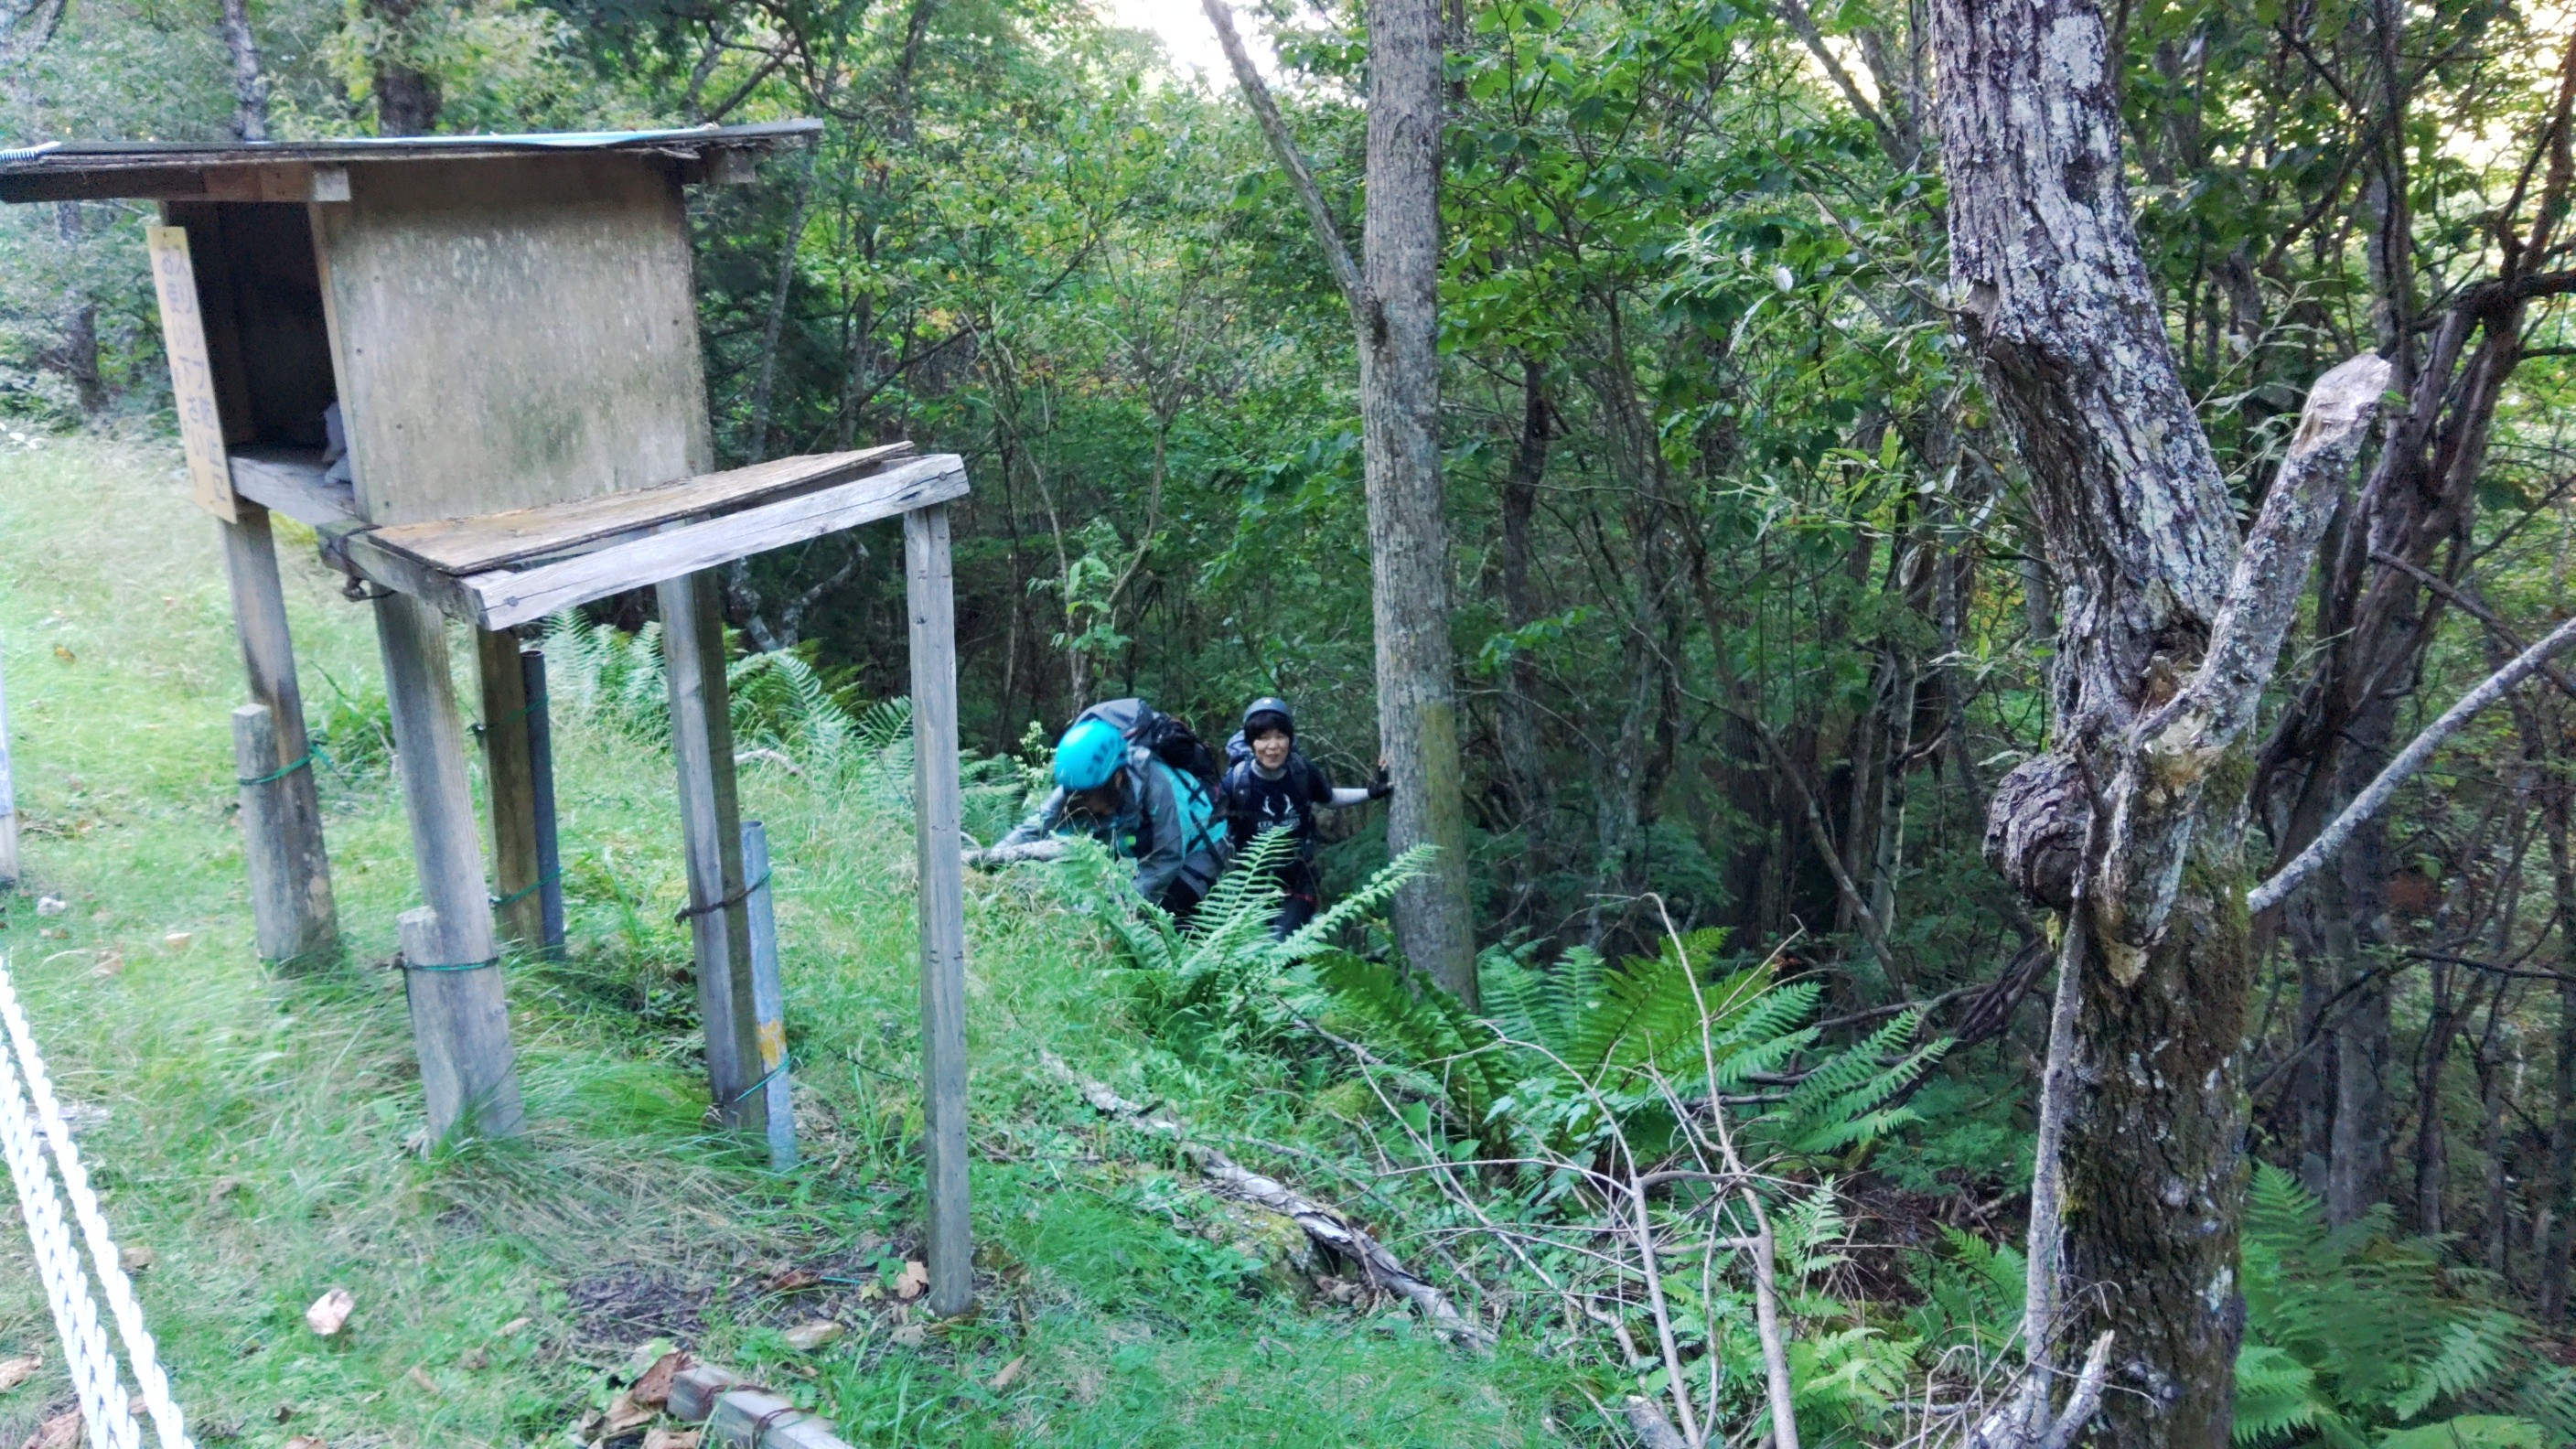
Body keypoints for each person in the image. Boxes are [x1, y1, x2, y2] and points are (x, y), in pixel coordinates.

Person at [980, 700, 1228, 917]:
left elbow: (1168, 860)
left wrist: (1113, 908)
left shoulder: (1161, 785)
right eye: (1078, 797)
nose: (1084, 804)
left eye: (1090, 796)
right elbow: (1034, 828)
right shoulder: (1079, 782)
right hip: (1147, 846)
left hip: (1200, 846)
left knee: (1164, 920)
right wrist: (988, 862)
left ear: (1118, 777)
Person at [1219, 696, 1387, 936]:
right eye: (1263, 738)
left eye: (1280, 736)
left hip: (1298, 880)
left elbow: (1328, 798)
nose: (1273, 746)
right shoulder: (1237, 782)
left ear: (1290, 738)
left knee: (1280, 945)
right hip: (1251, 887)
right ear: (1251, 743)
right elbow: (1215, 825)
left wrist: (1370, 793)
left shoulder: (1301, 770)